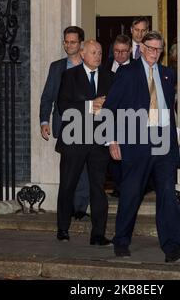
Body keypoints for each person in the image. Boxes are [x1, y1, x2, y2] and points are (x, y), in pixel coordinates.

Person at [103, 32, 180, 263]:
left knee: (168, 195)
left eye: (159, 49)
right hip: (136, 141)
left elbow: (169, 110)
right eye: (150, 48)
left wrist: (173, 140)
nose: (154, 53)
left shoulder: (168, 74)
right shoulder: (127, 73)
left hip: (163, 143)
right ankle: (121, 241)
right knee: (131, 193)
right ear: (141, 48)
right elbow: (110, 108)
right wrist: (112, 140)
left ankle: (172, 248)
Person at [55, 40, 114, 246]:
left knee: (98, 188)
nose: (98, 55)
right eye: (93, 52)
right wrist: (90, 106)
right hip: (74, 140)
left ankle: (98, 234)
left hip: (98, 142)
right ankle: (62, 228)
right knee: (68, 184)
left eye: (100, 52)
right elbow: (63, 106)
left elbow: (116, 107)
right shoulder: (70, 76)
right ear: (82, 54)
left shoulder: (110, 76)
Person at [39, 26, 90, 221]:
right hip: (64, 124)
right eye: (66, 42)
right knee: (68, 168)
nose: (69, 45)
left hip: (86, 125)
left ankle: (81, 207)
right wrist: (44, 121)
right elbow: (47, 96)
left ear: (81, 44)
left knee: (84, 168)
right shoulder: (57, 67)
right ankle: (67, 207)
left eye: (73, 42)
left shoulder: (89, 66)